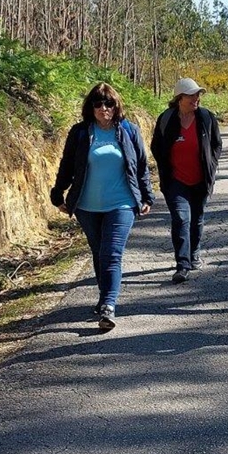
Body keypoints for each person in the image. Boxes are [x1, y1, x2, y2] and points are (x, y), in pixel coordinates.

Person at [50, 83, 153, 330]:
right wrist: (58, 193)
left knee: (111, 254)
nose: (103, 108)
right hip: (87, 206)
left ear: (116, 106)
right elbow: (67, 165)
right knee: (98, 252)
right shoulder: (80, 133)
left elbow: (140, 166)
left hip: (122, 203)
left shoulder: (128, 130)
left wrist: (147, 197)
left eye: (109, 103)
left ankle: (108, 305)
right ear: (91, 107)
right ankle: (104, 295)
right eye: (98, 103)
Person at [151, 78, 222, 284]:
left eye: (198, 94)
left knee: (197, 218)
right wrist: (166, 168)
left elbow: (216, 144)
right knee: (181, 218)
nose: (196, 98)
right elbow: (156, 146)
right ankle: (182, 264)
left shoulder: (206, 117)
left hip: (201, 179)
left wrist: (211, 165)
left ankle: (194, 253)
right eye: (191, 95)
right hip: (175, 180)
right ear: (179, 98)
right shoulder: (166, 119)